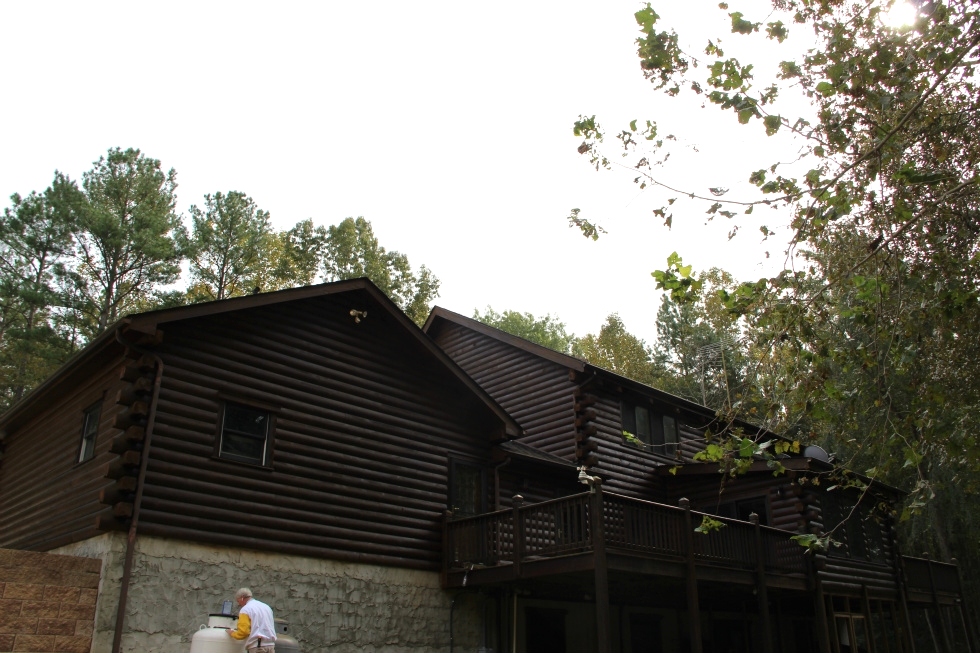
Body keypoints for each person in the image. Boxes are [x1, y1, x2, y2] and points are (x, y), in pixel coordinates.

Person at [228, 587, 277, 652]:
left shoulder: (245, 610)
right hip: (271, 645)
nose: (238, 604)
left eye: (238, 601)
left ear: (242, 598)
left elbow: (243, 632)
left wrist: (232, 633)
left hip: (257, 646)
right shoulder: (266, 607)